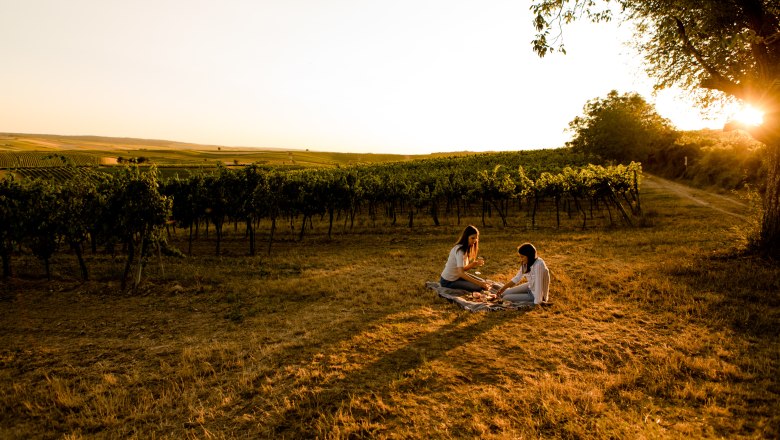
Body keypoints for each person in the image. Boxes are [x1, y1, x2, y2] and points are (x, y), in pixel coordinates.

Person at [439, 225, 491, 292]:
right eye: (472, 238)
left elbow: (462, 269)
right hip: (448, 281)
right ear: (466, 237)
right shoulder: (460, 250)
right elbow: (461, 273)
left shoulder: (466, 248)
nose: (475, 240)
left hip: (457, 276)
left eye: (476, 238)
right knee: (479, 287)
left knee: (483, 282)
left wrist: (474, 264)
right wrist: (479, 283)